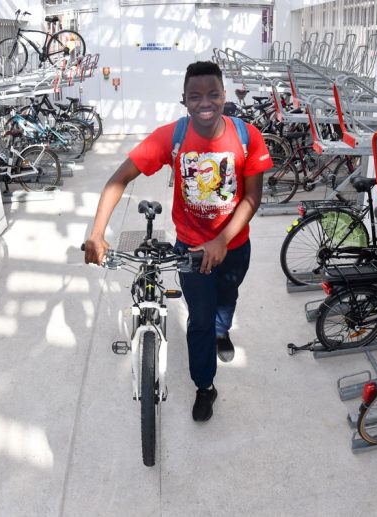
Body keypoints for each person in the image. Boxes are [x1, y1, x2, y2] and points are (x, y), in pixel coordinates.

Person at [84, 61, 272, 422]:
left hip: (235, 247)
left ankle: (223, 331)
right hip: (191, 251)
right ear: (184, 100)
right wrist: (97, 233)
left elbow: (251, 198)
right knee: (199, 318)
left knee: (227, 301)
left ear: (224, 96)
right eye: (195, 96)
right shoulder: (172, 136)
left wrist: (221, 240)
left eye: (213, 94)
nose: (206, 102)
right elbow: (118, 179)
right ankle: (205, 386)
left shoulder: (248, 136)